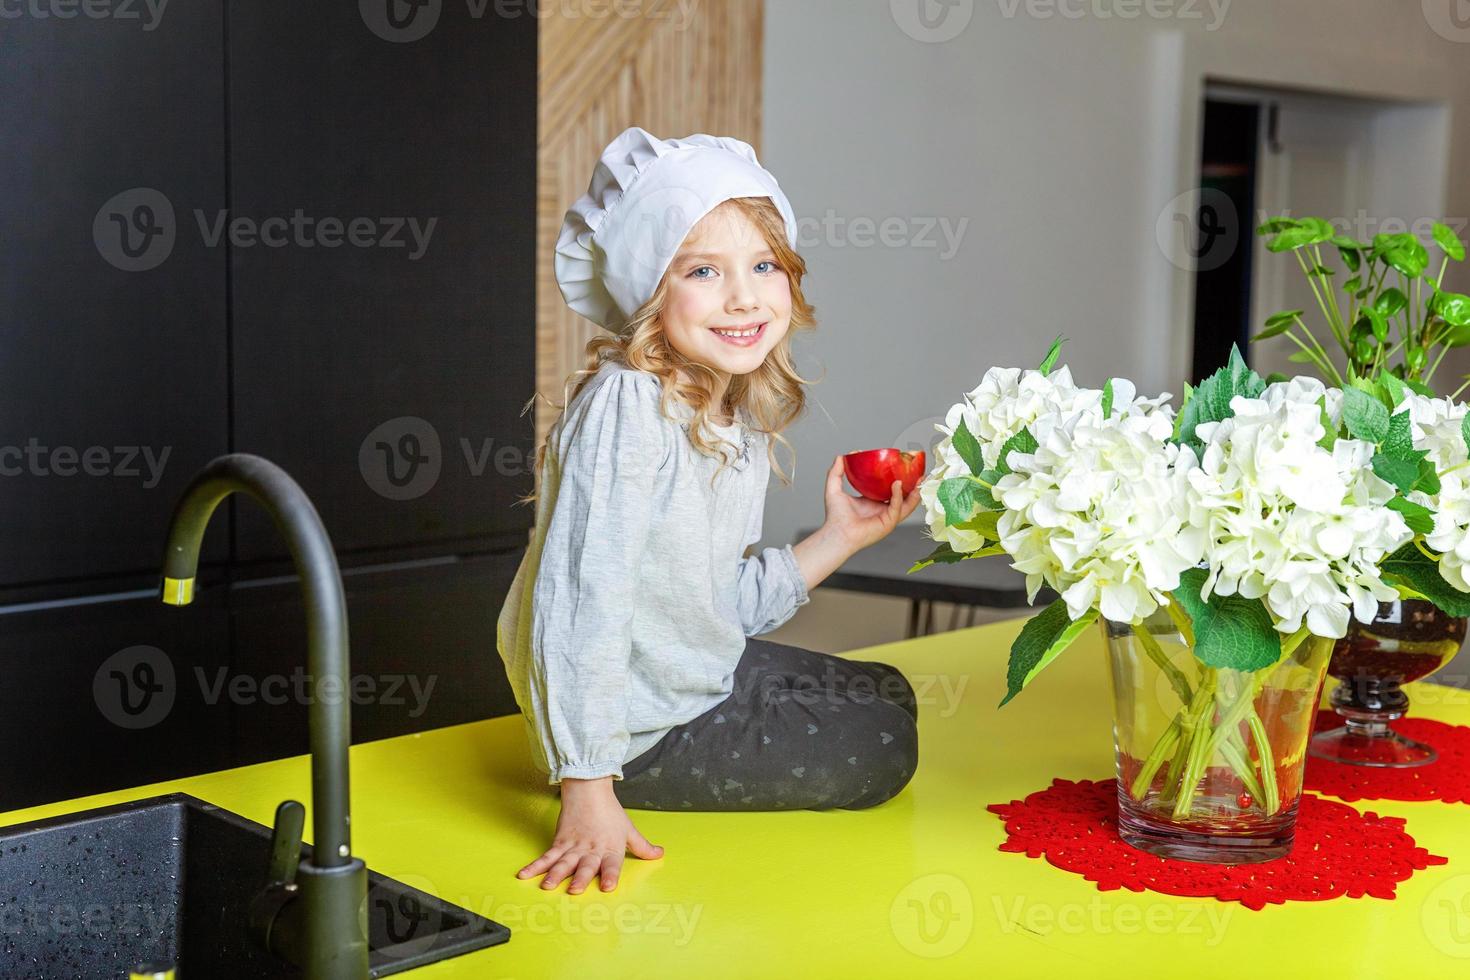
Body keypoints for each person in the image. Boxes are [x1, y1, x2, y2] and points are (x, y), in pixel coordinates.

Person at [497, 127, 923, 896]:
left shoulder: (726, 409)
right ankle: (582, 764)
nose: (745, 296)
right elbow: (577, 605)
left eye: (764, 265)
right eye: (703, 270)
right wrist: (589, 785)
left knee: (889, 691)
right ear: (650, 295)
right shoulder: (628, 408)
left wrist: (839, 537)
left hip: (692, 677)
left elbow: (711, 608)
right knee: (885, 745)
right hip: (633, 734)